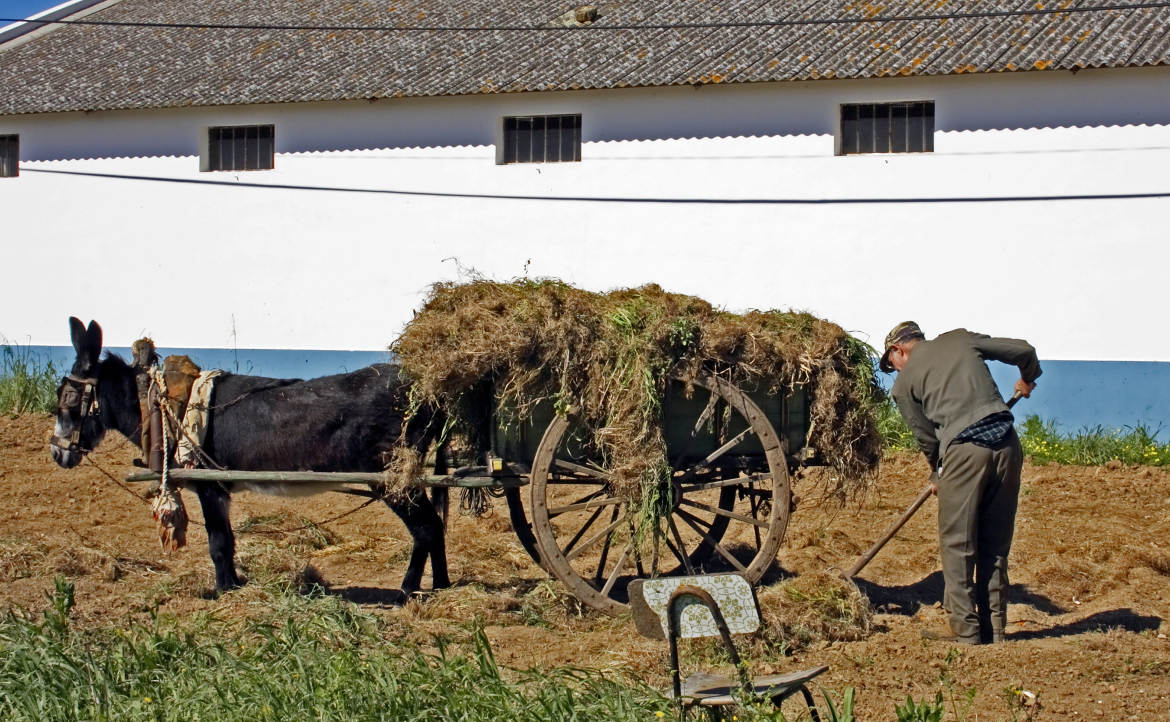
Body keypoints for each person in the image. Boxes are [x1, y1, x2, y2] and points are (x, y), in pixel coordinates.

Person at [879, 321, 1041, 645]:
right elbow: (1024, 349)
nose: (893, 370)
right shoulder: (961, 340)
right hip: (1008, 445)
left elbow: (928, 440)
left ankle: (967, 632)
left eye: (889, 364)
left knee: (958, 546)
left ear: (899, 350)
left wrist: (938, 473)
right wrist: (1027, 377)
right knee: (994, 545)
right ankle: (995, 630)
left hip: (965, 452)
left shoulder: (904, 385)